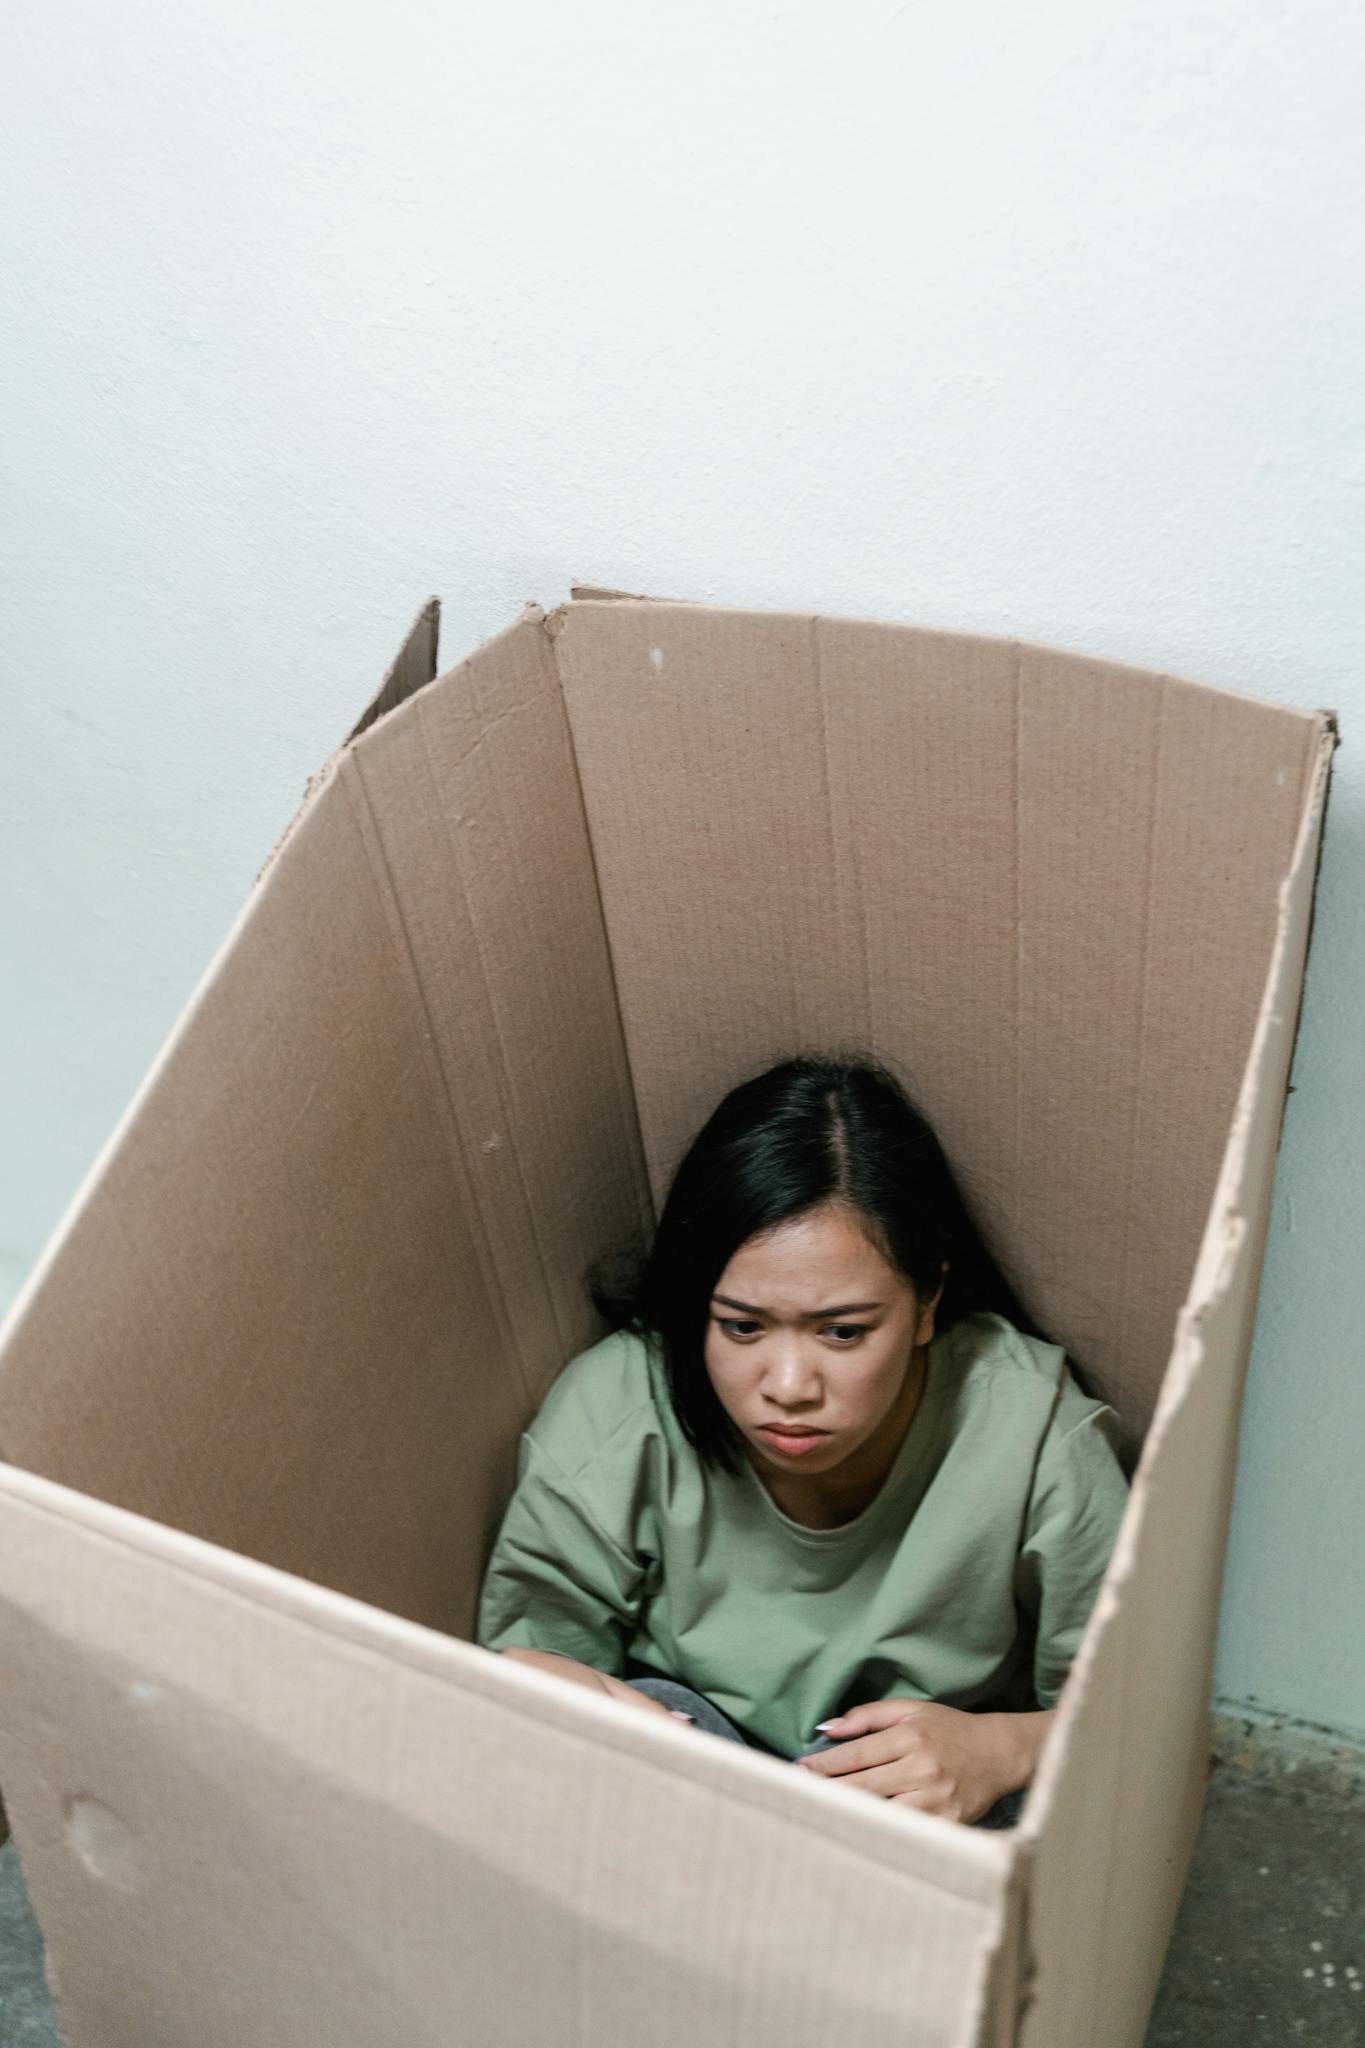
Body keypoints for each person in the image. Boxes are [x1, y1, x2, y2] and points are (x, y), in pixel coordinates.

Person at [476, 1054, 1129, 1828]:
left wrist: (1005, 1750)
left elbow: (1136, 1722)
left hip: (930, 1778)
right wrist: (547, 1690)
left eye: (843, 1331)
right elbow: (529, 1670)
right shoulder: (612, 1417)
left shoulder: (1033, 1434)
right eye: (742, 1326)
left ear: (926, 1306)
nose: (788, 1385)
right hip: (695, 1769)